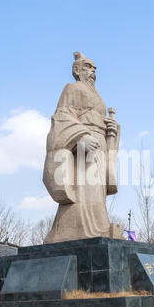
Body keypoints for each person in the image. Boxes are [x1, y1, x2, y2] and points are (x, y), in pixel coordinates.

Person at [43, 52, 123, 243]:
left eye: (94, 67)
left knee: (97, 192)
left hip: (99, 146)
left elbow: (100, 122)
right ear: (77, 70)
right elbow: (61, 118)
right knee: (84, 190)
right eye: (88, 66)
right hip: (83, 146)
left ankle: (99, 227)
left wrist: (112, 129)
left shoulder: (97, 96)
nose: (93, 70)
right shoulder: (71, 88)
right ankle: (81, 230)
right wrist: (80, 137)